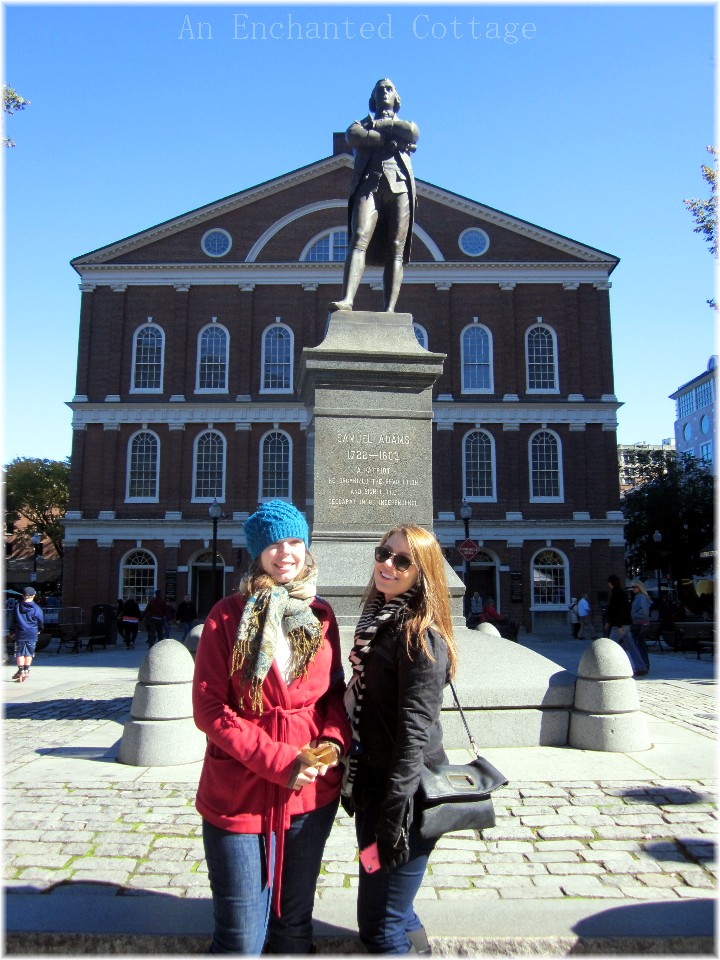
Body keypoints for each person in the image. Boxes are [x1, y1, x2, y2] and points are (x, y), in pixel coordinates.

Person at [192, 500, 351, 955]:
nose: (285, 553)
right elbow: (209, 708)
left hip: (309, 794)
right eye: (273, 545)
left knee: (293, 929)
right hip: (239, 790)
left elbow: (332, 694)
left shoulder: (320, 615)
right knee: (241, 937)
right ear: (257, 554)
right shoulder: (227, 615)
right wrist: (279, 760)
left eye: (294, 541)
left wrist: (333, 745)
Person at [343, 524, 457, 954]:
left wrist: (395, 814)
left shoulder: (420, 636)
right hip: (374, 789)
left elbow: (414, 733)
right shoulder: (380, 624)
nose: (387, 564)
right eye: (383, 553)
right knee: (397, 910)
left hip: (405, 798)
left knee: (380, 925)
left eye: (402, 560)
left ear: (422, 573)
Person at [329, 78, 419, 314]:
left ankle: (389, 309)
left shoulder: (405, 124)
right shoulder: (359, 125)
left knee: (396, 246)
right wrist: (390, 138)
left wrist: (377, 130)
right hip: (369, 184)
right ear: (373, 98)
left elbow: (411, 131)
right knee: (358, 236)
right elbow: (354, 136)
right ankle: (347, 300)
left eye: (389, 89)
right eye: (380, 90)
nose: (384, 93)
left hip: (399, 187)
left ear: (396, 97)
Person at [605, 575, 645, 675]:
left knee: (610, 646)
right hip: (625, 623)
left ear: (611, 583)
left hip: (620, 624)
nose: (608, 584)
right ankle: (641, 667)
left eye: (609, 582)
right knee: (631, 646)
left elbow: (618, 610)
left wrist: (618, 625)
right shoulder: (621, 593)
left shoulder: (616, 593)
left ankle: (607, 668)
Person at [9, 586, 44, 683]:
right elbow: (40, 620)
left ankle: (20, 670)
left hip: (20, 633)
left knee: (19, 653)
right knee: (29, 653)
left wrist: (11, 631)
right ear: (33, 595)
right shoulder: (37, 608)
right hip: (32, 633)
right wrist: (40, 629)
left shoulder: (17, 607)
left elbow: (13, 620)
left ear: (23, 595)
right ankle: (26, 670)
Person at [629, 581, 652, 675]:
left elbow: (644, 612)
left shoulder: (641, 597)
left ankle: (643, 664)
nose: (633, 589)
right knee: (640, 644)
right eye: (632, 587)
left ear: (639, 587)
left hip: (640, 623)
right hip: (639, 623)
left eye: (634, 587)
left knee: (638, 644)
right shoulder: (638, 597)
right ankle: (644, 664)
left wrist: (634, 616)